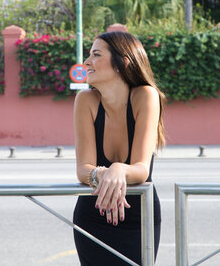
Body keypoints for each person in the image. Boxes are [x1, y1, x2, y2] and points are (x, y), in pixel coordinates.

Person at [72, 31, 165, 265]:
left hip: (138, 219)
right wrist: (103, 173)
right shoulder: (85, 101)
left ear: (121, 63)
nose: (86, 62)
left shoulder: (145, 96)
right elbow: (83, 170)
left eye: (96, 54)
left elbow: (142, 169)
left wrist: (118, 170)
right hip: (92, 218)